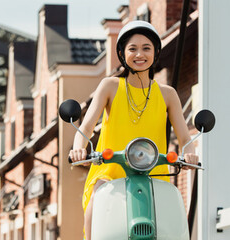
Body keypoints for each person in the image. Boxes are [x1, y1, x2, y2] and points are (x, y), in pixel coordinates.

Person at [68, 20, 198, 240]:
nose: (140, 54)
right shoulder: (110, 86)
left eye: (146, 48)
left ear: (155, 53)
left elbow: (185, 136)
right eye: (132, 49)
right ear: (122, 53)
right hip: (110, 169)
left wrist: (191, 153)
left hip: (154, 171)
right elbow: (87, 125)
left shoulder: (168, 94)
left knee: (172, 220)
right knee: (95, 203)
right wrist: (79, 149)